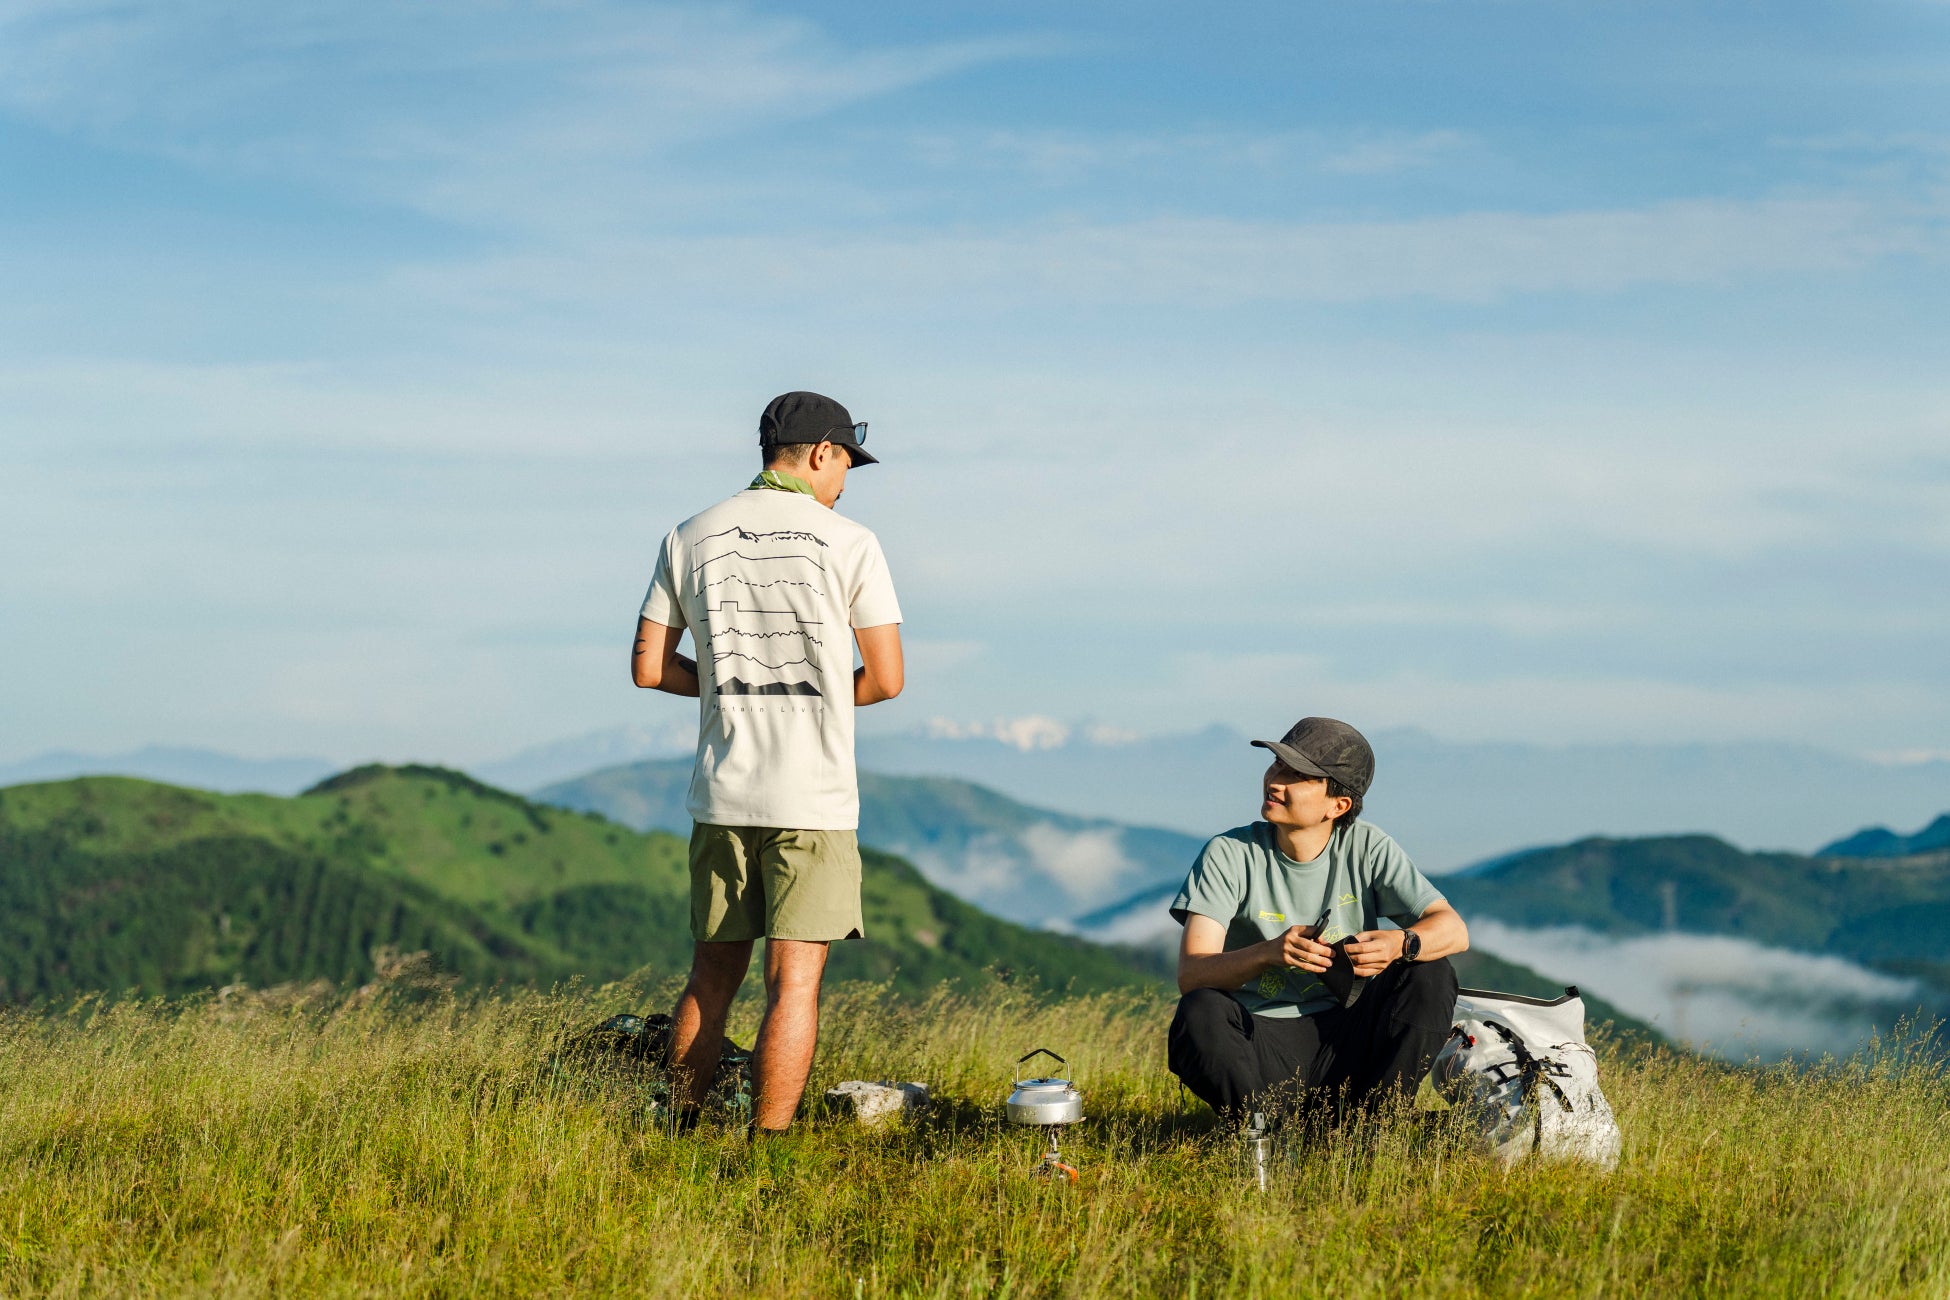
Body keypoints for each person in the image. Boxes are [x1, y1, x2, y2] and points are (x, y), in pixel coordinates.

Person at [630, 391, 904, 1134]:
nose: (845, 480)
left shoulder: (689, 534)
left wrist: (726, 684)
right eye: (847, 461)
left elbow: (650, 668)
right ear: (821, 453)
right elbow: (885, 679)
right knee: (794, 987)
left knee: (710, 981)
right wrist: (813, 695)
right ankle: (769, 1148)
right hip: (810, 797)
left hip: (722, 794)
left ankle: (680, 1132)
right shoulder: (850, 541)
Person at [1167, 716, 1467, 1130]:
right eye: (1276, 766)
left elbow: (1453, 929)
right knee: (1200, 1010)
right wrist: (1269, 953)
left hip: (1346, 1041)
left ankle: (1370, 1131)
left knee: (1431, 973)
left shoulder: (1366, 845)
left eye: (1297, 775)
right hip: (1259, 1044)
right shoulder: (1229, 853)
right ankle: (1262, 1136)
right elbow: (1192, 974)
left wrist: (1400, 945)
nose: (1275, 781)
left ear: (1337, 805)